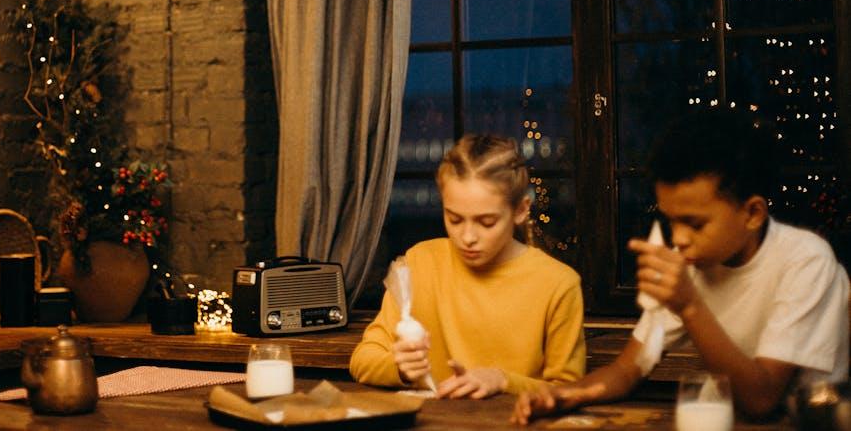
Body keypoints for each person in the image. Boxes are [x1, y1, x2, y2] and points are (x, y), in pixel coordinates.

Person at [512, 109, 850, 424]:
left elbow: (761, 400)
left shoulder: (805, 261)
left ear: (752, 214)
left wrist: (689, 304)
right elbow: (629, 369)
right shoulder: (689, 263)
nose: (680, 239)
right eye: (672, 221)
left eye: (695, 223)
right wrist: (563, 395)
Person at [350, 134, 586, 399]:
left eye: (486, 222)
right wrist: (401, 369)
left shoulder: (558, 284)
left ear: (521, 210)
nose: (468, 237)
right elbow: (363, 359)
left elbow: (568, 391)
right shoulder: (420, 262)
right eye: (455, 219)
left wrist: (502, 380)